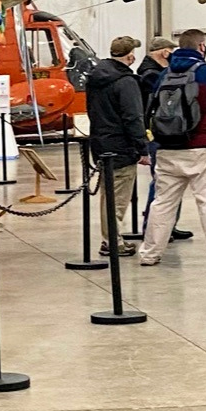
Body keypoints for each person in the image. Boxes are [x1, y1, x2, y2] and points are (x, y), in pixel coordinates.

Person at [136, 29, 206, 269]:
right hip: (202, 147)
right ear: (202, 46)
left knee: (163, 202)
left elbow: (150, 108)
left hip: (167, 147)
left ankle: (149, 253)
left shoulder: (164, 74)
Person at [86, 35, 147, 256]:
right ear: (130, 56)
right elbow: (133, 117)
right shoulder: (125, 81)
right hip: (121, 146)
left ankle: (109, 238)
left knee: (107, 195)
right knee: (118, 199)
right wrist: (142, 148)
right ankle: (113, 241)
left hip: (100, 143)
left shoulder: (95, 78)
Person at [136, 36, 193, 244]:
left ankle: (169, 226)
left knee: (171, 182)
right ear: (164, 53)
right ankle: (152, 228)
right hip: (156, 134)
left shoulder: (154, 72)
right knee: (161, 183)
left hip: (162, 134)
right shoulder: (151, 75)